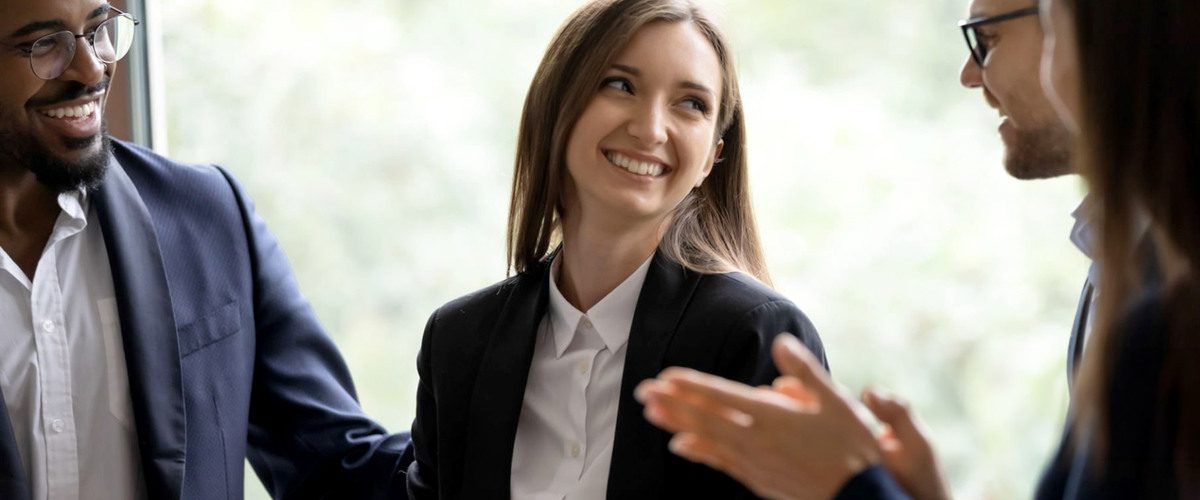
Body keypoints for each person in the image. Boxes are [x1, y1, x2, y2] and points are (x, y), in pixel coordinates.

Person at [637, 0, 1200, 497]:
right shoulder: (1120, 274)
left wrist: (854, 487)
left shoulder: (1164, 313)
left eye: (1055, 23)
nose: (969, 74)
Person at [403, 0, 825, 498]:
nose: (650, 129)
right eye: (620, 85)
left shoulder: (755, 339)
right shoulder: (458, 342)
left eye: (691, 103)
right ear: (557, 102)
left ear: (713, 155)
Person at [0, 0, 410, 498]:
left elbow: (338, 466)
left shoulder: (209, 219)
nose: (92, 68)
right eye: (45, 43)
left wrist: (498, 389)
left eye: (99, 29)